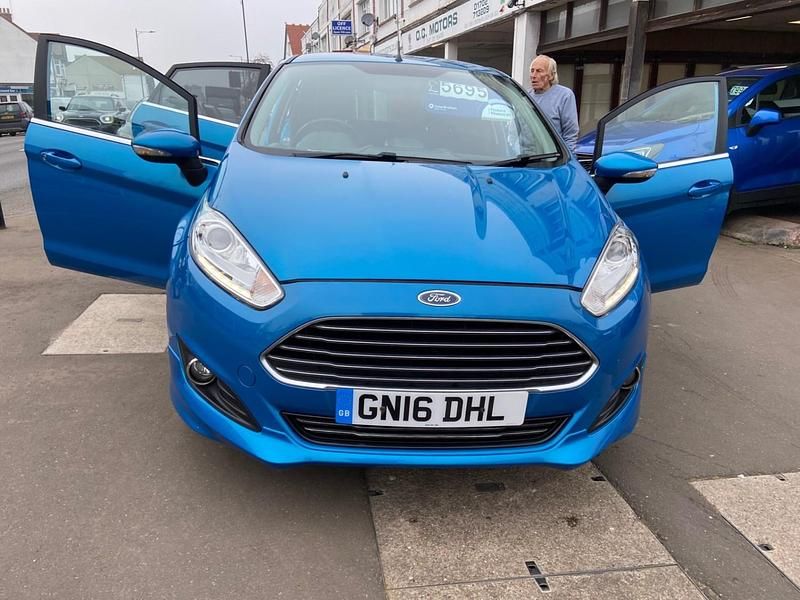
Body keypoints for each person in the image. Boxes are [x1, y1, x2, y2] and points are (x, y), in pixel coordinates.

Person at [528, 54, 579, 151]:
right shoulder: (525, 97)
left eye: (539, 71)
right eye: (532, 71)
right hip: (525, 159)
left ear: (551, 75)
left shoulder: (564, 96)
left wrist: (567, 159)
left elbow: (570, 133)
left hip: (552, 159)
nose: (534, 76)